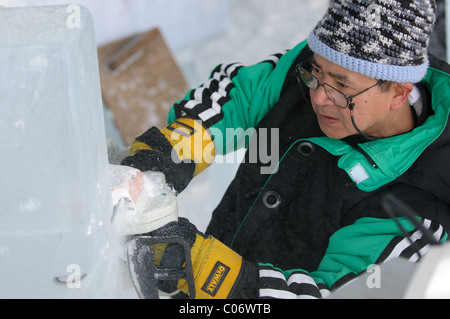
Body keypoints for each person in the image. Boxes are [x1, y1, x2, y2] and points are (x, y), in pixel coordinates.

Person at [121, 0, 450, 299]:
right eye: (316, 73)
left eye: (341, 86)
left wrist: (205, 270)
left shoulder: (418, 208)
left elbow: (338, 293)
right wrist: (165, 158)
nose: (319, 97)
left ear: (398, 92)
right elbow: (235, 96)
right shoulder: (306, 76)